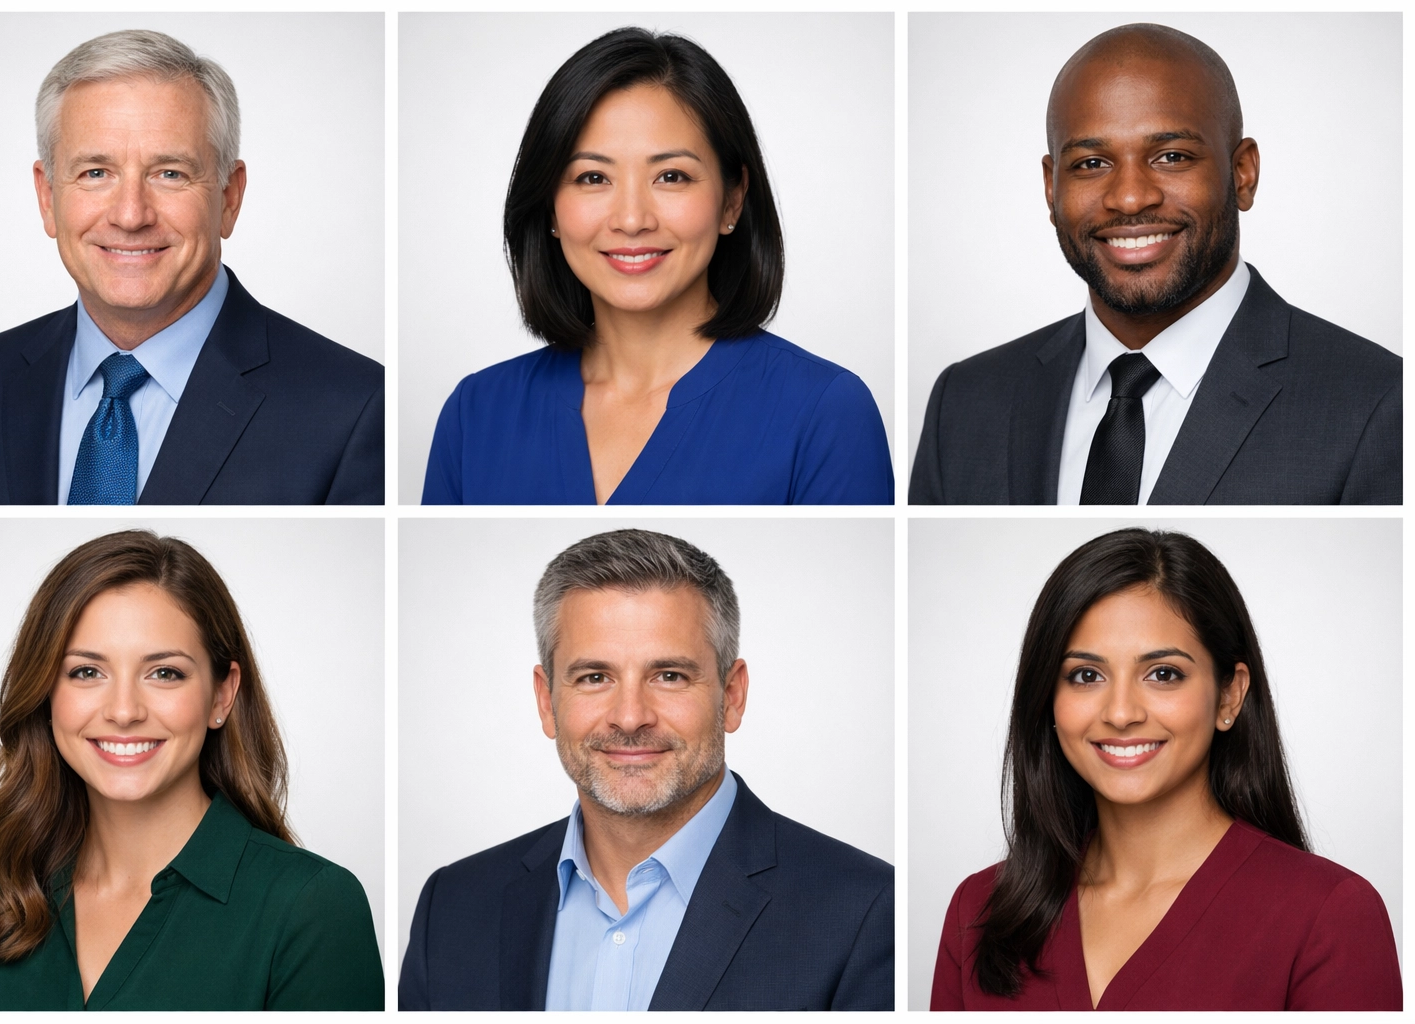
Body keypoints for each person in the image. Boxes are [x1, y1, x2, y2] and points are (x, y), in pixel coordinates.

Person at [399, 529, 893, 1009]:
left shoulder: (863, 911)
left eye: (670, 676)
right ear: (547, 702)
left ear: (733, 696)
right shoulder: (452, 907)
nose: (631, 716)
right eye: (594, 677)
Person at [909, 23, 1401, 505]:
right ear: (1051, 186)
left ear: (1243, 173)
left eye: (1170, 156)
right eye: (1091, 164)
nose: (1128, 198)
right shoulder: (965, 401)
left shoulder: (1379, 403)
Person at [0, 30, 383, 505]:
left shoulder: (350, 408)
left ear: (229, 197)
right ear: (47, 197)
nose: (130, 215)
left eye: (170, 173)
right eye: (95, 173)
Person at [931, 528, 1401, 1010]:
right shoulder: (980, 909)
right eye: (1086, 676)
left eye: (1163, 674)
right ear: (1048, 700)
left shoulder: (1330, 914)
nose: (1120, 712)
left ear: (1229, 695)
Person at [422, 28, 893, 505]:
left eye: (671, 176)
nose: (631, 219)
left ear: (732, 200)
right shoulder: (476, 414)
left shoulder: (826, 412)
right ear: (550, 209)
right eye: (592, 177)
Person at [0, 531, 383, 1010]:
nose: (123, 711)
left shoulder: (312, 908)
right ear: (45, 693)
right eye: (86, 671)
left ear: (222, 695)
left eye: (164, 673)